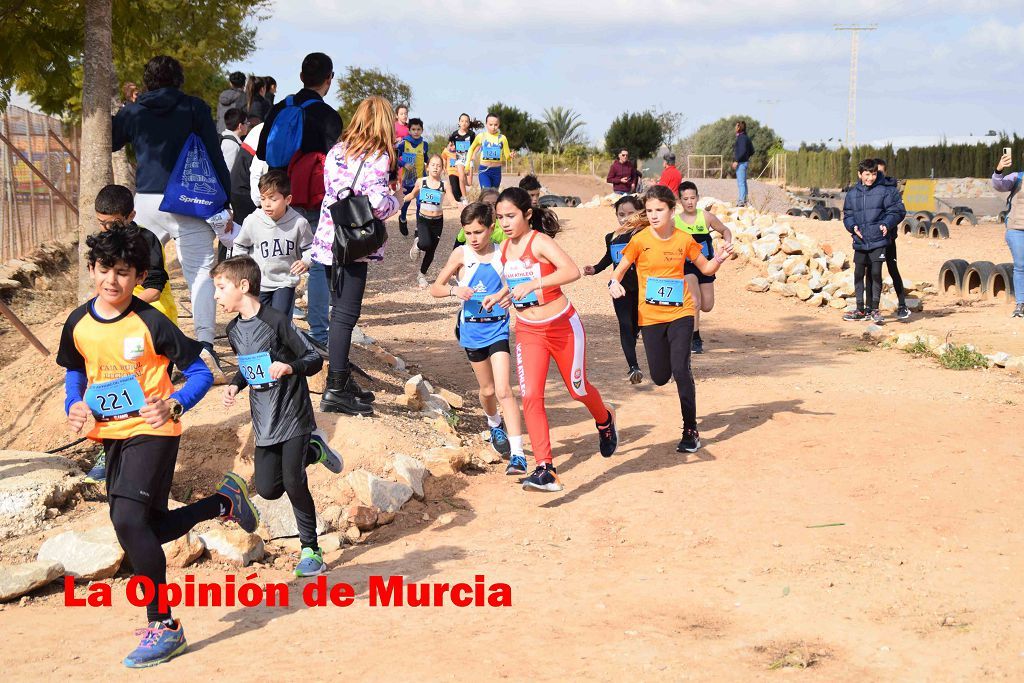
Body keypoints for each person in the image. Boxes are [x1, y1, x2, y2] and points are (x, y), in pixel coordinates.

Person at [57, 225, 259, 668]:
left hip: (153, 432)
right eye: (105, 269)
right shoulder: (78, 322)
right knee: (147, 527)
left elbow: (202, 373)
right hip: (110, 436)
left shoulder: (152, 323)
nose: (113, 280)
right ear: (92, 269)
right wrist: (75, 404)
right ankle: (222, 502)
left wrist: (173, 404)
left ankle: (164, 626)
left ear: (139, 276)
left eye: (124, 272)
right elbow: (75, 370)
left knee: (127, 520)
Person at [482, 187, 618, 492]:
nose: (504, 223)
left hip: (562, 326)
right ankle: (546, 468)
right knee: (531, 397)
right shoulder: (503, 248)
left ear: (527, 214)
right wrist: (500, 296)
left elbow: (571, 271)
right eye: (500, 217)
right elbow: (512, 283)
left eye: (511, 216)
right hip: (528, 330)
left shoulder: (539, 241)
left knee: (577, 388)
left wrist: (534, 283)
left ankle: (605, 418)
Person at [214, 256, 342, 577]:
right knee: (270, 489)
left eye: (221, 287)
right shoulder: (232, 330)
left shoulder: (277, 320)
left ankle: (311, 550)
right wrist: (233, 385)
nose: (216, 296)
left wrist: (289, 367)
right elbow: (249, 367)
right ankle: (314, 450)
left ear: (243, 286)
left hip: (294, 414)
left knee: (295, 483)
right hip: (264, 420)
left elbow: (313, 358)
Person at [112, 55, 230, 381]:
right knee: (201, 275)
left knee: (137, 274)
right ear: (179, 80)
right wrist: (225, 198)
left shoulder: (134, 110)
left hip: (146, 202)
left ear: (147, 82)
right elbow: (213, 152)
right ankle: (204, 348)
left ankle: (136, 351)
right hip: (188, 201)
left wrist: (126, 106)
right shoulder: (194, 107)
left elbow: (109, 140)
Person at [608, 185, 734, 453]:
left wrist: (720, 258)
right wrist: (613, 284)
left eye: (659, 210)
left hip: (681, 312)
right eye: (650, 210)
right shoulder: (640, 240)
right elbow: (618, 271)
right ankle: (672, 384)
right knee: (660, 376)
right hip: (651, 316)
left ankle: (691, 430)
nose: (653, 215)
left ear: (671, 210)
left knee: (680, 367)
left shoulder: (683, 239)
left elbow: (706, 267)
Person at [311, 95, 400, 416]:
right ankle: (335, 388)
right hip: (353, 246)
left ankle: (342, 379)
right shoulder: (378, 157)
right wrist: (397, 200)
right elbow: (377, 204)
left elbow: (334, 192)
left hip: (326, 241)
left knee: (338, 314)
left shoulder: (335, 152)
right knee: (345, 317)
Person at [429, 202, 529, 475]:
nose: (474, 238)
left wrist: (507, 295)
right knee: (486, 391)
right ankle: (494, 423)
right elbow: (435, 288)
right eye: (468, 232)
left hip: (498, 328)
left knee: (503, 389)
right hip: (472, 331)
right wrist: (454, 292)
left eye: (479, 232)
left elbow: (518, 281)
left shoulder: (503, 253)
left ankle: (518, 454)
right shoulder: (461, 254)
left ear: (491, 229)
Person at [257, 52, 342, 348]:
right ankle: (319, 334)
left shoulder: (281, 107)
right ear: (329, 79)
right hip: (313, 197)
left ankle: (278, 329)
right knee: (316, 262)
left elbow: (262, 152)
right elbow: (337, 160)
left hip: (278, 195)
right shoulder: (328, 115)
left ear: (301, 76)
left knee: (279, 258)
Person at [231, 170, 313, 315]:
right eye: (263, 199)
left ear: (288, 199)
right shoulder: (252, 221)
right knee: (259, 320)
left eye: (273, 199)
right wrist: (244, 271)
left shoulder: (299, 223)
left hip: (285, 281)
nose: (267, 204)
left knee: (279, 320)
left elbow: (310, 248)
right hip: (258, 283)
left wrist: (305, 262)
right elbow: (239, 245)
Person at [583, 195, 644, 383]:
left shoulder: (644, 234)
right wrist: (595, 269)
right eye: (621, 214)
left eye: (630, 213)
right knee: (625, 325)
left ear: (640, 213)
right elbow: (608, 258)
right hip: (621, 289)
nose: (625, 218)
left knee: (637, 325)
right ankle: (633, 367)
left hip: (643, 288)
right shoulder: (612, 237)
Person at [841, 159, 905, 324]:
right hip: (860, 241)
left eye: (874, 174)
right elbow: (848, 215)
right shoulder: (852, 193)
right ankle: (860, 309)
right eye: (867, 174)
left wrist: (887, 224)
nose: (870, 178)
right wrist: (852, 226)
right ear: (860, 174)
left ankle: (875, 310)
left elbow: (896, 211)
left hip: (879, 241)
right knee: (858, 275)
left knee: (876, 274)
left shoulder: (884, 191)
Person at [674, 181, 733, 354]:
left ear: (698, 198)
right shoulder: (675, 221)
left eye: (692, 198)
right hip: (686, 265)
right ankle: (695, 338)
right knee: (695, 301)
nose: (689, 202)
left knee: (707, 305)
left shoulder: (706, 217)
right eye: (686, 199)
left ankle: (685, 320)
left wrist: (727, 242)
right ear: (680, 201)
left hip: (707, 264)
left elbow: (725, 230)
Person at [405, 154, 457, 287]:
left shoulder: (444, 184)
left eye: (439, 165)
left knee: (431, 250)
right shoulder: (421, 181)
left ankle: (421, 275)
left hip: (438, 222)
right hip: (423, 219)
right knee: (425, 243)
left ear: (442, 169)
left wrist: (457, 204)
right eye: (433, 165)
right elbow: (413, 194)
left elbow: (451, 199)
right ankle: (417, 244)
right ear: (427, 167)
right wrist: (403, 198)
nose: (436, 168)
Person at [873, 158, 911, 320]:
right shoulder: (866, 190)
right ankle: (872, 308)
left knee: (893, 269)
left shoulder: (892, 191)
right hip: (871, 240)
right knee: (874, 273)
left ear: (885, 172)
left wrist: (887, 226)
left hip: (888, 238)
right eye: (876, 173)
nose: (878, 176)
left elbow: (898, 213)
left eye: (881, 172)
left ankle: (902, 305)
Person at [994, 149, 1024, 318]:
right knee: (1021, 266)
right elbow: (999, 185)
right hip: (1017, 229)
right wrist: (999, 170)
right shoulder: (1016, 177)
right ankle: (1021, 304)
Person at [397, 118, 429, 237]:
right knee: (406, 203)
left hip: (421, 180)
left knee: (420, 203)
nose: (416, 132)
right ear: (409, 130)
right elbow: (394, 158)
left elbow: (426, 158)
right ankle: (403, 219)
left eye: (418, 129)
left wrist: (432, 164)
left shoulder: (424, 145)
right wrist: (404, 164)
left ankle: (417, 228)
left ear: (422, 130)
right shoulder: (403, 144)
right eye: (413, 129)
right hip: (407, 180)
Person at [467, 113, 514, 190]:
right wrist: (469, 161)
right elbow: (471, 148)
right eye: (490, 124)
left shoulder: (502, 138)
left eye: (496, 124)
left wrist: (510, 156)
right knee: (486, 193)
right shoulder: (481, 136)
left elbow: (507, 157)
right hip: (484, 171)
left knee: (494, 195)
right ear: (486, 124)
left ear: (499, 124)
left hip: (496, 171)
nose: (493, 127)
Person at [447, 113, 479, 201]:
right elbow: (449, 145)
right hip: (459, 158)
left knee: (469, 183)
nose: (464, 123)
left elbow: (478, 145)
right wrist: (451, 147)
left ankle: (464, 184)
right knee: (461, 177)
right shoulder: (454, 134)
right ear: (459, 122)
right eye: (462, 121)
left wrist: (474, 154)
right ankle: (464, 198)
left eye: (466, 121)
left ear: (469, 123)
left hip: (468, 159)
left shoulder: (471, 134)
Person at [220, 108, 249, 183]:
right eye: (246, 123)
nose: (248, 125)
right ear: (240, 126)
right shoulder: (232, 145)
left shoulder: (227, 139)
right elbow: (228, 172)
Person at [732, 120, 755, 207]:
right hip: (745, 162)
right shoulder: (746, 137)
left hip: (741, 163)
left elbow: (742, 151)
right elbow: (752, 151)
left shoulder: (741, 138)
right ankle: (745, 200)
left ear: (739, 127)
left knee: (741, 183)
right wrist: (746, 157)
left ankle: (741, 201)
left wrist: (736, 160)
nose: (735, 128)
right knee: (744, 182)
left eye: (736, 126)